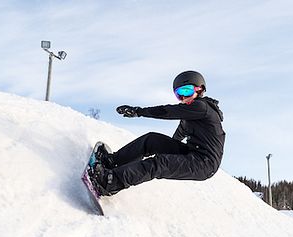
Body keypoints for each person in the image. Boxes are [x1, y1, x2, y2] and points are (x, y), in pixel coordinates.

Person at [89, 70, 225, 196]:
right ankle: (113, 161)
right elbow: (180, 133)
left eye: (187, 91)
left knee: (159, 164)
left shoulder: (202, 107)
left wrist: (139, 111)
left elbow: (168, 111)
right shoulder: (191, 114)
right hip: (192, 152)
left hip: (204, 163)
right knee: (151, 140)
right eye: (179, 93)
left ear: (200, 89)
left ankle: (110, 183)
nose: (183, 96)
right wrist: (169, 149)